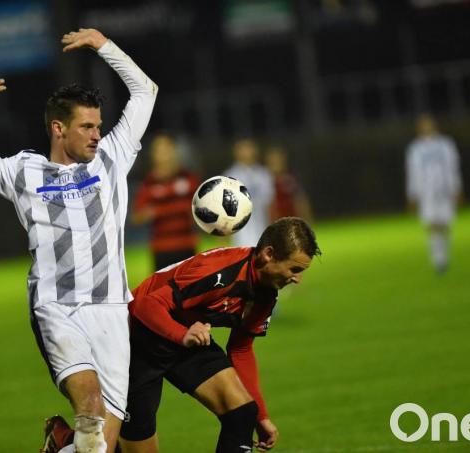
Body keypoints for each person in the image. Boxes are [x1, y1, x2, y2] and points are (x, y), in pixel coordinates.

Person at [0, 28, 158, 453]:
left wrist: (103, 46)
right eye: (86, 126)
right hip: (57, 307)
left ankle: (60, 444)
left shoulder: (113, 155)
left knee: (99, 448)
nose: (96, 134)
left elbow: (145, 91)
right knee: (90, 406)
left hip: (111, 308)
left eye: (98, 125)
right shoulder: (21, 172)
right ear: (59, 128)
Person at [119, 217, 321, 453]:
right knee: (132, 446)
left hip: (187, 336)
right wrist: (182, 334)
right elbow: (144, 305)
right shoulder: (220, 270)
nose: (297, 278)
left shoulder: (266, 294)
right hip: (140, 336)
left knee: (242, 412)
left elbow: (241, 350)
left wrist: (261, 416)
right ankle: (69, 442)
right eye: (294, 268)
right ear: (268, 254)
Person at [132, 133, 201, 271]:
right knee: (164, 291)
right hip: (162, 249)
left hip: (186, 245)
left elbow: (204, 208)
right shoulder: (148, 183)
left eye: (167, 149)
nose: (165, 154)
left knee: (192, 291)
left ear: (174, 151)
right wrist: (149, 214)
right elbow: (136, 218)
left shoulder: (189, 178)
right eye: (160, 150)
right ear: (153, 155)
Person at [405, 114, 463, 274]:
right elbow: (413, 173)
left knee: (444, 224)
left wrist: (456, 189)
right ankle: (438, 260)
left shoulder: (445, 145)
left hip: (443, 190)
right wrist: (412, 195)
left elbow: (453, 167)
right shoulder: (415, 149)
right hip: (426, 194)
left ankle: (444, 256)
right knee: (431, 225)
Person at [224, 139, 274, 247]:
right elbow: (225, 211)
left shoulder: (263, 174)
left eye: (249, 148)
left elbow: (269, 205)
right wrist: (224, 239)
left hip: (263, 233)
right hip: (240, 237)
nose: (247, 152)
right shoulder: (230, 175)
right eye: (243, 149)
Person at [264, 146, 314, 222]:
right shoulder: (263, 180)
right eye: (273, 160)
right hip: (271, 225)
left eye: (278, 159)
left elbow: (301, 202)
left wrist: (307, 222)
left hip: (291, 224)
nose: (276, 163)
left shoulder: (290, 179)